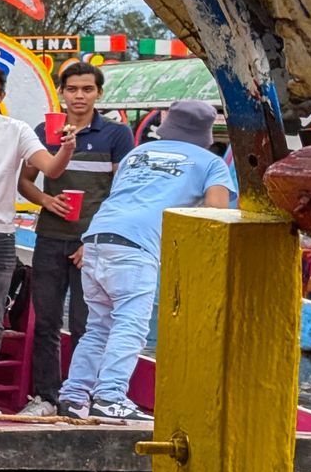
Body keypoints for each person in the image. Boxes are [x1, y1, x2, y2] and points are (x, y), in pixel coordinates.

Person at [59, 99, 233, 421]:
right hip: (137, 246)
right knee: (130, 325)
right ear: (206, 133)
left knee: (99, 325)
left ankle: (73, 395)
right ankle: (110, 397)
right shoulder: (211, 163)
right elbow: (217, 213)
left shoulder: (136, 154)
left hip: (97, 238)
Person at [0, 63, 74, 415]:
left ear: (1, 98)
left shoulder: (16, 130)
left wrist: (66, 148)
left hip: (1, 235)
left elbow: (50, 169)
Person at [16, 62, 134, 414]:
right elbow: (25, 181)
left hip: (93, 244)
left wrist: (94, 238)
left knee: (88, 325)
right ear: (62, 93)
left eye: (87, 89)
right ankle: (46, 398)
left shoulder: (116, 135)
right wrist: (45, 200)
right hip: (50, 238)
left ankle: (79, 397)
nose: (79, 96)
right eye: (72, 89)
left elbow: (124, 191)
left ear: (99, 93)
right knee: (47, 322)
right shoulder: (46, 130)